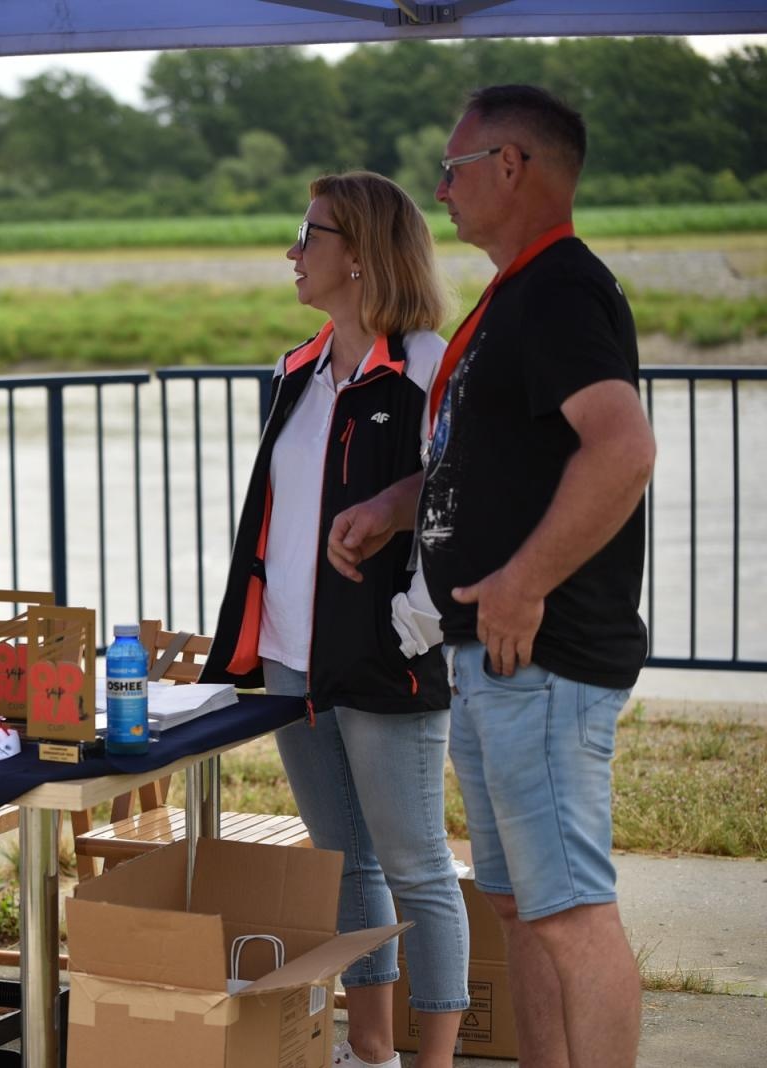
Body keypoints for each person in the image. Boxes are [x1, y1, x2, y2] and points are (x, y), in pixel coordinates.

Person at [329, 86, 655, 1068]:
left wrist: (520, 579)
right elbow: (498, 456)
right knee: (518, 907)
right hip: (493, 658)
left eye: (455, 167)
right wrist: (398, 504)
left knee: (568, 915)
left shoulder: (557, 289)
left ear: (511, 167)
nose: (440, 188)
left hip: (539, 655)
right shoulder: (514, 295)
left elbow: (622, 446)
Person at [201, 172, 469, 1068]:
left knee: (418, 867)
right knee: (344, 863)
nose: (291, 251)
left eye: (308, 235)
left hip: (392, 655)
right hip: (291, 662)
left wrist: (418, 619)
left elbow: (458, 503)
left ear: (358, 254)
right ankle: (373, 1052)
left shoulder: (431, 364)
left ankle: (433, 1060)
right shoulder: (296, 370)